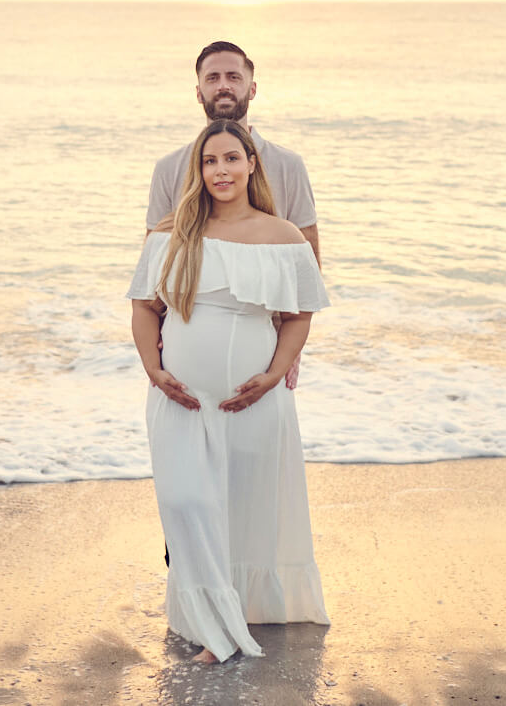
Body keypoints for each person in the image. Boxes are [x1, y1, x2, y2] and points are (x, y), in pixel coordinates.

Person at [129, 119, 330, 664]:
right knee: (185, 501)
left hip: (255, 402)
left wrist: (274, 374)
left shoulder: (282, 236)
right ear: (198, 171)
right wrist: (154, 369)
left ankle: (225, 624)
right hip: (180, 400)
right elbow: (145, 309)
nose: (221, 170)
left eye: (231, 159)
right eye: (209, 161)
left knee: (240, 508)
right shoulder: (171, 235)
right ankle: (210, 621)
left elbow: (298, 316)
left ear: (251, 165)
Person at [146, 40, 320, 391]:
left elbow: (308, 260)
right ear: (199, 92)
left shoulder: (288, 165)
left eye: (233, 77)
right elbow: (152, 269)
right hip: (184, 343)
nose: (223, 85)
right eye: (212, 78)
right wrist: (155, 350)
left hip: (263, 342)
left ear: (251, 88)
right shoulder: (169, 169)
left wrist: (292, 349)